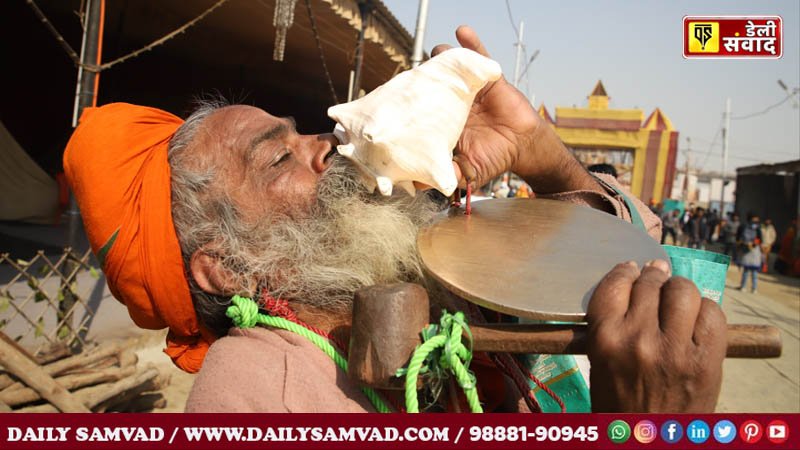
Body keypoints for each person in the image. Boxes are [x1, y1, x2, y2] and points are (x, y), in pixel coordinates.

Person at [64, 26, 725, 413]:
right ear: (227, 266)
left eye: (303, 134)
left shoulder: (434, 291)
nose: (326, 146)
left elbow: (621, 260)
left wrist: (538, 154)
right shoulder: (256, 397)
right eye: (278, 159)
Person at [737, 214, 763, 293]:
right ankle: (743, 286)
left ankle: (754, 288)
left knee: (754, 271)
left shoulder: (758, 229)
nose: (755, 221)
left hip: (755, 251)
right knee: (746, 270)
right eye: (754, 219)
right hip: (746, 250)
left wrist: (754, 244)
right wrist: (743, 244)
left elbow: (760, 239)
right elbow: (739, 237)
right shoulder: (744, 227)